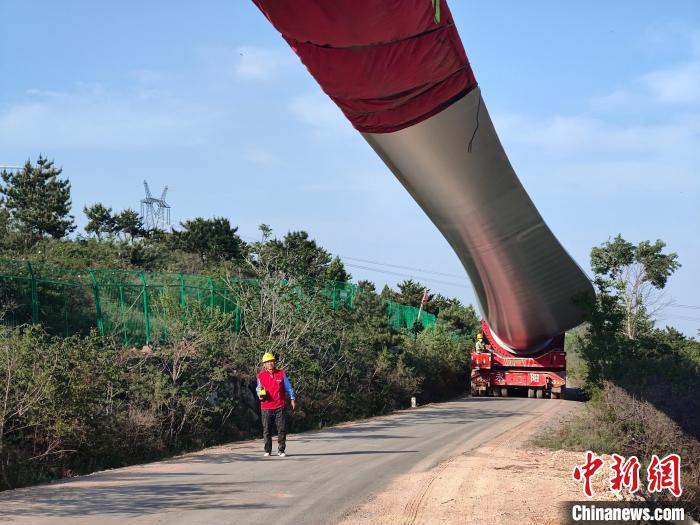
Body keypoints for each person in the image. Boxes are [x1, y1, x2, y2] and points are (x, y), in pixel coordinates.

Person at [256, 352, 297, 457]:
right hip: (266, 407)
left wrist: (292, 398)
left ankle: (281, 450)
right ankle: (267, 450)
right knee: (266, 430)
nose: (270, 363)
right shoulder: (261, 375)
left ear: (274, 362)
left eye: (271, 361)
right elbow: (258, 388)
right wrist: (260, 394)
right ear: (264, 364)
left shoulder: (281, 374)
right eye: (267, 362)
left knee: (281, 429)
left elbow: (288, 387)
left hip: (280, 406)